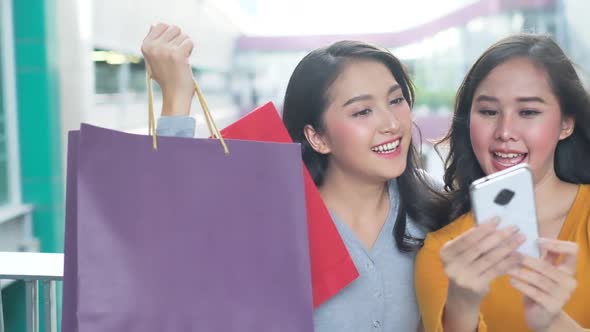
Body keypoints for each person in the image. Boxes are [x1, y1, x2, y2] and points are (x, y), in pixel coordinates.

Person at [141, 23, 450, 331]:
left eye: (396, 100)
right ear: (317, 138)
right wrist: (176, 98)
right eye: (362, 111)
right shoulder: (271, 210)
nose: (391, 124)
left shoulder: (432, 201)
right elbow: (175, 237)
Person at [415, 33, 590, 332]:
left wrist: (554, 323)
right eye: (488, 111)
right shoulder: (442, 253)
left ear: (566, 124)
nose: (505, 131)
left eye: (528, 112)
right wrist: (461, 306)